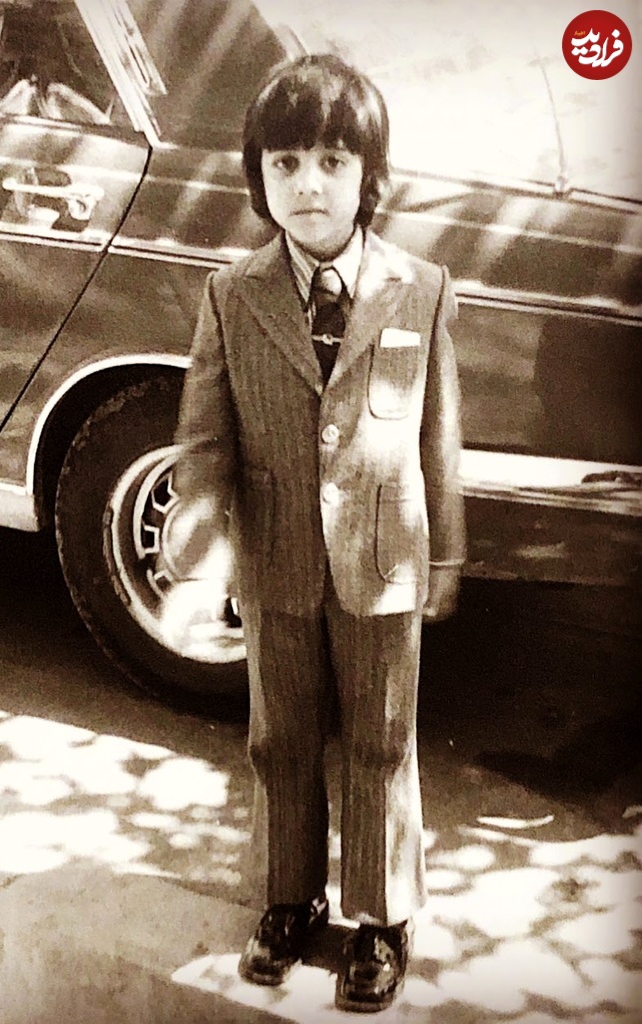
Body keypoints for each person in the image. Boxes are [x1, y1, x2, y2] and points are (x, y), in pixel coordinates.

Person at [161, 53, 466, 1013]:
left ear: (368, 175)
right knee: (280, 737)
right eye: (285, 162)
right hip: (276, 560)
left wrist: (446, 553)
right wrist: (198, 560)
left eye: (332, 161)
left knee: (381, 739)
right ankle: (288, 898)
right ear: (258, 177)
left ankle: (382, 917)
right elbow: (204, 439)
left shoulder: (420, 287)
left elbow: (436, 433)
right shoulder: (231, 294)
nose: (308, 184)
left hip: (383, 559)